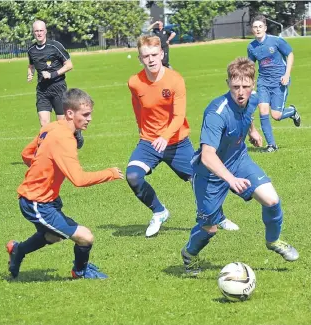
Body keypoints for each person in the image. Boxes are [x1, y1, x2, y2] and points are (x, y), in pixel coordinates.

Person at [181, 57, 299, 276]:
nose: (241, 92)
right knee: (210, 228)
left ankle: (273, 241)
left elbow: (249, 112)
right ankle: (189, 254)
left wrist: (252, 130)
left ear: (253, 84)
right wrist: (231, 180)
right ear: (228, 84)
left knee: (272, 200)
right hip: (210, 174)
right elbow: (207, 156)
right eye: (236, 87)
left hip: (239, 160)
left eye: (246, 86)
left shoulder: (252, 99)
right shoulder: (216, 113)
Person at [126, 35, 239, 238]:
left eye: (154, 55)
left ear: (161, 54)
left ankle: (218, 217)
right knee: (133, 176)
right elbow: (137, 108)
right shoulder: (134, 82)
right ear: (140, 58)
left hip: (177, 142)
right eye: (146, 56)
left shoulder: (175, 80)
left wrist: (165, 136)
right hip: (149, 142)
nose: (150, 59)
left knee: (200, 180)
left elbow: (179, 116)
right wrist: (143, 132)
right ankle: (159, 212)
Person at [6, 88, 124, 279]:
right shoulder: (64, 139)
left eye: (90, 114)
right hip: (36, 202)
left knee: (53, 235)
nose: (90, 118)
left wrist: (43, 169)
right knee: (85, 237)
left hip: (45, 198)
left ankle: (17, 250)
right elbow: (78, 180)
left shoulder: (51, 127)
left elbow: (27, 154)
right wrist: (109, 173)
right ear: (70, 113)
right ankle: (79, 271)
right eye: (85, 114)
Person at [247, 15, 301, 153]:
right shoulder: (251, 47)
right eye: (255, 27)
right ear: (252, 30)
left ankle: (292, 111)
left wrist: (287, 75)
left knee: (276, 115)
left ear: (265, 28)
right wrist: (250, 82)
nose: (258, 29)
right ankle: (272, 145)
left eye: (260, 26)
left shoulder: (276, 41)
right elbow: (251, 66)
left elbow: (290, 55)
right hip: (263, 82)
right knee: (263, 111)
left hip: (279, 81)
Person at [27, 20, 84, 149]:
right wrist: (30, 73)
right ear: (33, 33)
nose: (39, 33)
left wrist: (52, 75)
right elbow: (31, 65)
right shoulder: (31, 50)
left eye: (41, 30)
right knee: (44, 122)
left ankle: (76, 133)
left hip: (58, 88)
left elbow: (69, 65)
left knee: (62, 124)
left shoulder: (55, 46)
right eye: (36, 31)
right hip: (42, 90)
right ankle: (49, 151)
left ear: (46, 31)